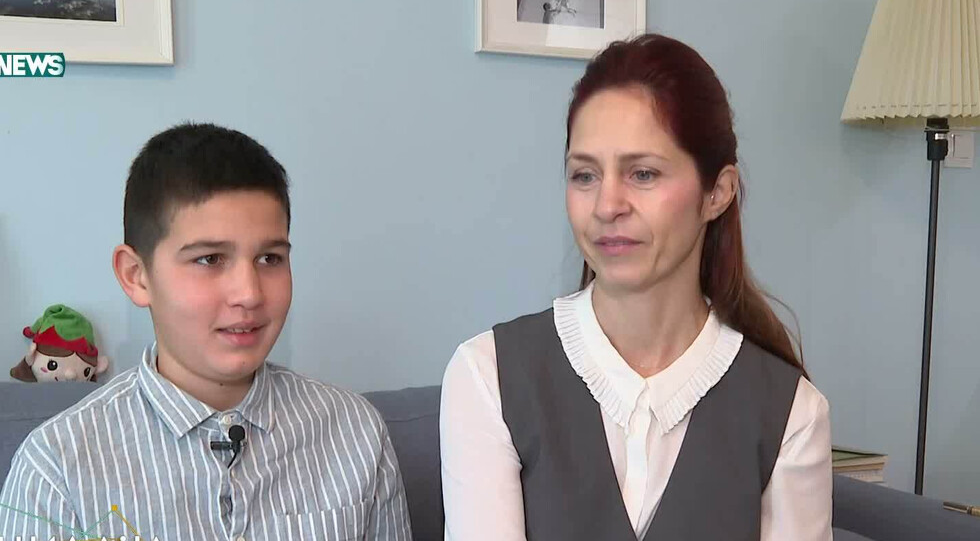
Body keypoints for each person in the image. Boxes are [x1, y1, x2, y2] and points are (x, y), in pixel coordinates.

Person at [440, 34, 832, 541]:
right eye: (585, 175)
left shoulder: (792, 413)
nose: (607, 205)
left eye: (642, 174)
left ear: (718, 192)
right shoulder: (487, 376)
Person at [0, 123, 412, 540]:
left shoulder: (356, 434)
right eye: (210, 259)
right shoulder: (57, 471)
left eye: (270, 259)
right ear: (136, 275)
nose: (249, 294)